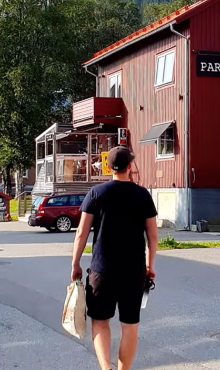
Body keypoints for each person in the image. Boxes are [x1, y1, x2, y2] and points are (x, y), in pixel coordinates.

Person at [71, 146, 158, 370]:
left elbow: (81, 232)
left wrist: (75, 264)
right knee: (130, 325)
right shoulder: (143, 195)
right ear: (130, 166)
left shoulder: (97, 193)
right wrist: (150, 266)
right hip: (133, 272)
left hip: (102, 271)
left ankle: (106, 368)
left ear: (108, 167)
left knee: (100, 322)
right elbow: (152, 236)